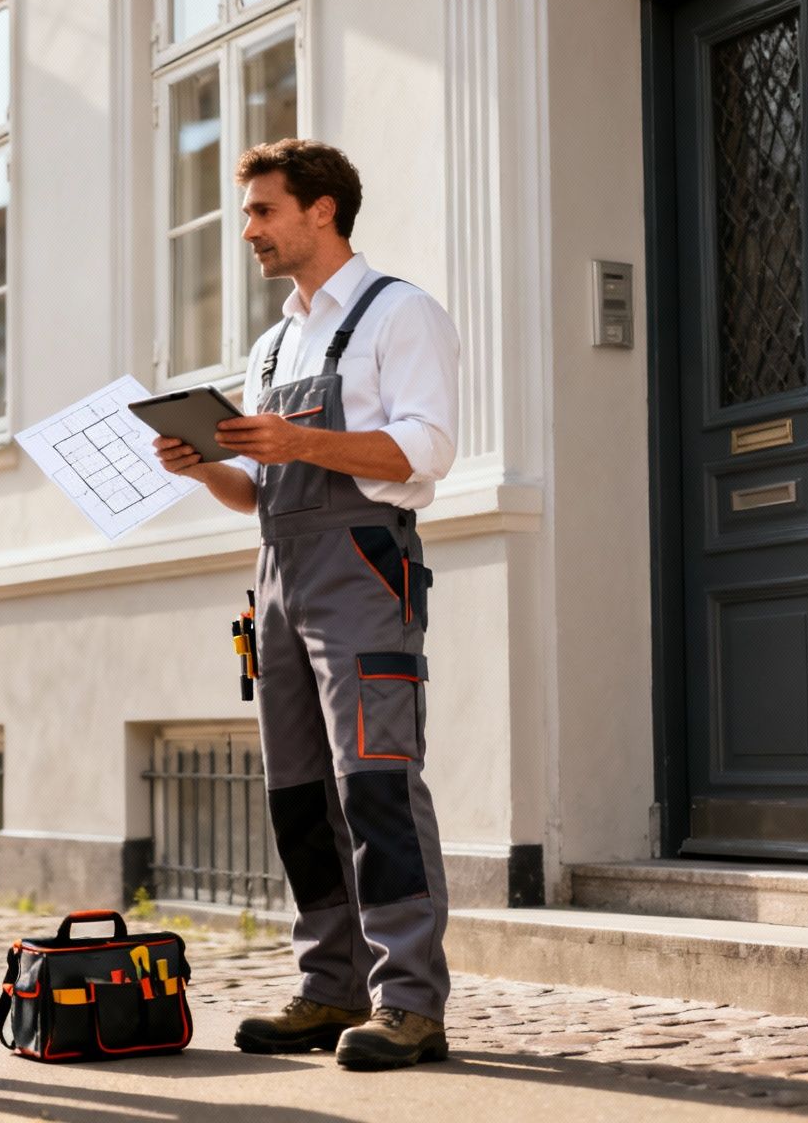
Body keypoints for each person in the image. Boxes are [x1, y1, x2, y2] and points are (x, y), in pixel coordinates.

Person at [154, 138, 461, 1071]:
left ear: (321, 209)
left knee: (377, 783)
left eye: (261, 210)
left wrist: (298, 440)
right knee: (297, 795)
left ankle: (409, 1001)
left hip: (364, 567)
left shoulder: (400, 313)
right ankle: (331, 988)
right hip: (279, 570)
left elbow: (426, 450)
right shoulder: (275, 341)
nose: (246, 229)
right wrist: (207, 464)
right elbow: (256, 488)